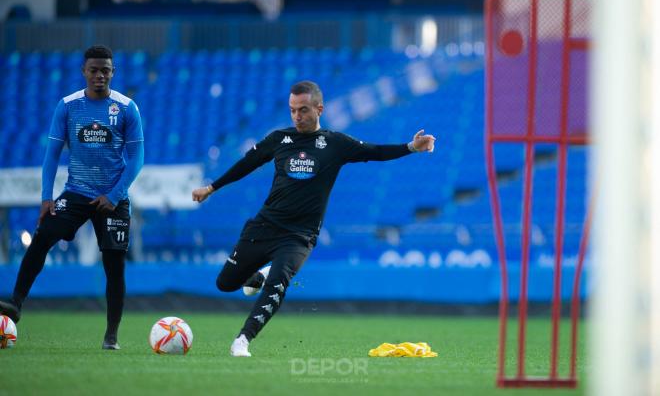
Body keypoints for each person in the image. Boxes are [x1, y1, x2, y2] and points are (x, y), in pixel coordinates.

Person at [192, 80, 435, 357]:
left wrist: (411, 147)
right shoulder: (279, 139)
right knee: (225, 284)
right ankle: (261, 274)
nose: (297, 116)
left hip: (299, 236)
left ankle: (242, 341)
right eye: (293, 110)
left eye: (304, 110)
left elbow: (374, 152)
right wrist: (212, 188)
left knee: (278, 283)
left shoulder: (335, 143)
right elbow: (246, 164)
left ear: (319, 109)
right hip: (264, 226)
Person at [0, 45, 144, 350]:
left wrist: (115, 194)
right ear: (84, 72)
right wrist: (46, 197)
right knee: (42, 237)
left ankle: (111, 335)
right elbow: (52, 155)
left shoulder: (127, 108)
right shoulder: (67, 106)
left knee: (114, 265)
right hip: (76, 193)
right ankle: (15, 303)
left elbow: (137, 158)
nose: (99, 76)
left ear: (113, 72)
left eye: (105, 70)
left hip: (112, 197)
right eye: (94, 70)